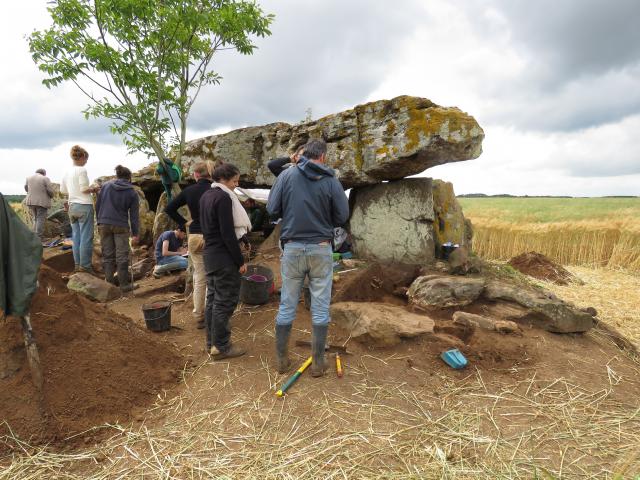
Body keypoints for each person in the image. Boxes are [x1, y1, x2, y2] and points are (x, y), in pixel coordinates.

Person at [267, 139, 349, 376]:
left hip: (292, 248)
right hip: (321, 248)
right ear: (322, 156)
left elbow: (272, 210)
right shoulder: (331, 180)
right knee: (321, 307)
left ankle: (282, 362)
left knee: (287, 305)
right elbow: (342, 215)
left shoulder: (286, 176)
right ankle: (318, 364)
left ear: (304, 154)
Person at [200, 163, 250, 360]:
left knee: (212, 301)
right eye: (234, 181)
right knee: (225, 302)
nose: (235, 186)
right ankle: (222, 347)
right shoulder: (223, 197)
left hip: (210, 255)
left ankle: (211, 343)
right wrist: (240, 261)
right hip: (223, 257)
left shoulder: (206, 195)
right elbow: (227, 233)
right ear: (224, 179)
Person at [165, 161, 213, 328]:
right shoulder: (215, 190)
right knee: (212, 276)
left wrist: (185, 223)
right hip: (211, 236)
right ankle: (210, 314)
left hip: (194, 235)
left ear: (196, 175)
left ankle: (198, 315)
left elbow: (169, 208)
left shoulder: (189, 191)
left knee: (199, 277)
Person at [95, 165, 140, 292]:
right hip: (121, 225)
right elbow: (134, 216)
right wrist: (135, 233)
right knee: (122, 256)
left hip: (103, 223)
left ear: (117, 176)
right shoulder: (132, 192)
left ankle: (109, 285)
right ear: (129, 178)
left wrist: (99, 220)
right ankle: (124, 285)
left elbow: (98, 204)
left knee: (107, 255)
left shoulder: (106, 186)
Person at [60, 145, 97, 273]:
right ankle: (85, 266)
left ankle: (77, 265)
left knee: (76, 237)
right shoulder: (82, 170)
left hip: (72, 207)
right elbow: (84, 189)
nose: (86, 161)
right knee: (86, 237)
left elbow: (62, 190)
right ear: (81, 157)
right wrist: (94, 188)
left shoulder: (67, 172)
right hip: (84, 206)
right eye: (85, 158)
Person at [24, 168, 55, 240]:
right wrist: (51, 195)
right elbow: (50, 190)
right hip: (41, 202)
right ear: (44, 173)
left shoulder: (28, 178)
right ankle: (39, 237)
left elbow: (26, 188)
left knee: (35, 218)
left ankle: (34, 236)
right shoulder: (45, 178)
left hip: (30, 201)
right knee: (40, 219)